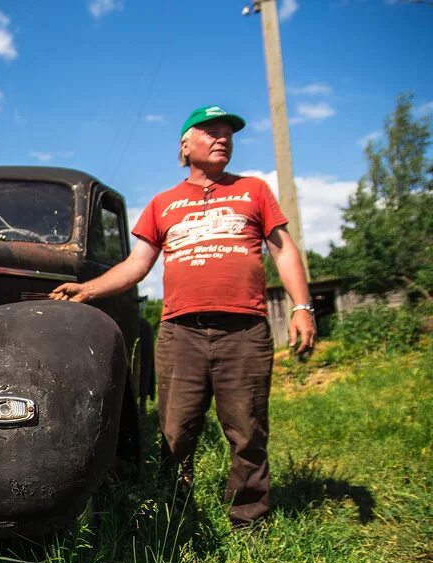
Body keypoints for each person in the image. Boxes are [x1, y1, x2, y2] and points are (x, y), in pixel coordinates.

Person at [50, 104, 316, 526]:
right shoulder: (164, 203)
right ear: (185, 144)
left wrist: (302, 307)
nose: (222, 138)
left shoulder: (254, 191)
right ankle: (174, 510)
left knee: (247, 431)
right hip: (180, 334)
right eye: (210, 131)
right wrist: (89, 289)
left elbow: (283, 251)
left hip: (243, 330)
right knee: (175, 431)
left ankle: (249, 517)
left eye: (228, 132)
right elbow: (137, 265)